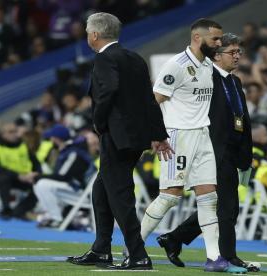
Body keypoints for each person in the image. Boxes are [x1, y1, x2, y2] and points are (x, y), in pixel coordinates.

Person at [139, 19, 246, 274]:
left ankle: (214, 258)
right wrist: (157, 135)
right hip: (178, 137)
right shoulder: (176, 66)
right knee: (169, 197)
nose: (219, 44)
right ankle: (135, 245)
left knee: (209, 197)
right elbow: (154, 101)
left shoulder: (208, 65)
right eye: (216, 39)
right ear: (198, 38)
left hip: (202, 135)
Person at [67, 12, 172, 271]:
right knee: (102, 188)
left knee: (119, 194)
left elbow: (108, 91)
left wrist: (99, 124)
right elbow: (148, 99)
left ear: (94, 35)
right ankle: (101, 249)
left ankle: (137, 255)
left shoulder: (104, 58)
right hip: (135, 137)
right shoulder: (134, 57)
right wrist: (159, 135)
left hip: (116, 136)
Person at [33, 124, 95, 228]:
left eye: (51, 138)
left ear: (57, 139)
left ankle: (56, 219)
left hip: (83, 193)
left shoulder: (73, 152)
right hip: (74, 189)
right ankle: (52, 216)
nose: (50, 141)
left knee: (42, 184)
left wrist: (38, 176)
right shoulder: (67, 151)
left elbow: (64, 177)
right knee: (40, 183)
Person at [0, 122, 41, 219]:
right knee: (4, 178)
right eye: (11, 132)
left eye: (16, 131)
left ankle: (19, 211)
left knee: (40, 184)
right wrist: (17, 175)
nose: (15, 134)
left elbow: (36, 163)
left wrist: (34, 174)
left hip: (24, 178)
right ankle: (6, 209)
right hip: (6, 178)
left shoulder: (23, 145)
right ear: (2, 134)